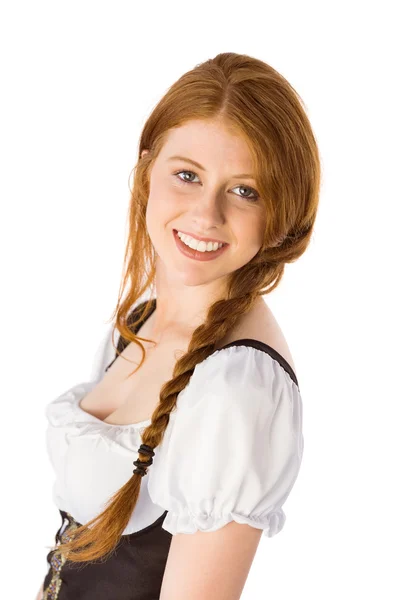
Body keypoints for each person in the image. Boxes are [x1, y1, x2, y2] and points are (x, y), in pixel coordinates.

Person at [39, 51, 320, 599]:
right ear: (147, 169)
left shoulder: (237, 386)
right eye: (187, 175)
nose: (205, 215)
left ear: (281, 211)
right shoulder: (140, 321)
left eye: (245, 190)